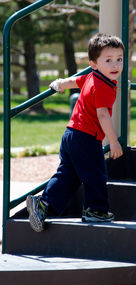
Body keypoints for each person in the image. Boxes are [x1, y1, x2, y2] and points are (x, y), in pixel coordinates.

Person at [26, 33, 124, 232]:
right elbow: (103, 115)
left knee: (68, 174)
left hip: (71, 134)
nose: (115, 65)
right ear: (94, 63)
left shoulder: (91, 77)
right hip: (87, 138)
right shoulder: (103, 85)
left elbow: (73, 82)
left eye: (119, 59)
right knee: (95, 174)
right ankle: (96, 211)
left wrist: (58, 84)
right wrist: (113, 141)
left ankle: (43, 205)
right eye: (108, 60)